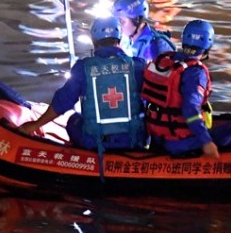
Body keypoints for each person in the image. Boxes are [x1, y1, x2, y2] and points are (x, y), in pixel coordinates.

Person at [18, 16, 145, 150]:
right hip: (133, 140)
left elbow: (62, 102)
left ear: (94, 40)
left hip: (95, 142)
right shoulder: (138, 65)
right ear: (119, 38)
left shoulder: (82, 68)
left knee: (73, 119)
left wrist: (36, 125)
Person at [142, 19, 231, 159]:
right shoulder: (195, 72)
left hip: (157, 137)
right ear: (208, 44)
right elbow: (190, 109)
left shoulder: (164, 61)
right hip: (179, 142)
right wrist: (206, 142)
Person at [112, 0, 176, 62]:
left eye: (121, 21)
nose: (118, 27)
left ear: (137, 20)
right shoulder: (125, 40)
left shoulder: (157, 46)